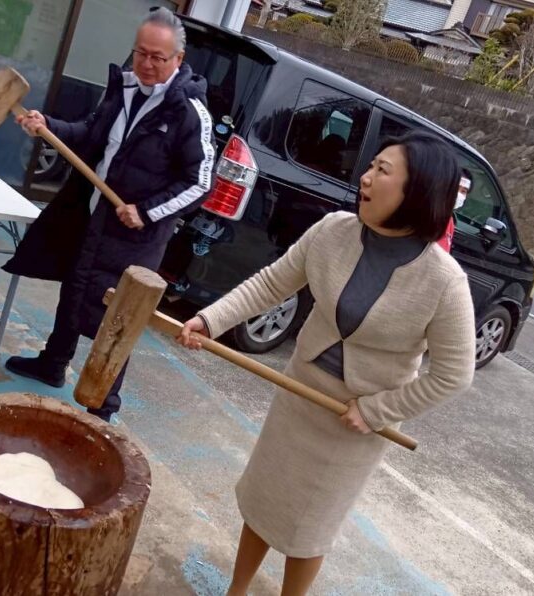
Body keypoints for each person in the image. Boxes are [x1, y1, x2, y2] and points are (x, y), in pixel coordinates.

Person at [177, 131, 476, 595]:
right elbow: (271, 283)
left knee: (309, 527)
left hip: (353, 423)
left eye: (382, 171)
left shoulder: (444, 281)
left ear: (417, 191)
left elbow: (454, 374)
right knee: (265, 499)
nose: (366, 178)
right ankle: (236, 589)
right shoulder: (333, 230)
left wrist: (377, 411)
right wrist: (210, 320)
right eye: (370, 166)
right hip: (300, 393)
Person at [2, 7, 214, 422]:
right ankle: (52, 364)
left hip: (135, 237)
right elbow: (90, 133)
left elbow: (201, 182)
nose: (146, 64)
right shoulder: (124, 89)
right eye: (140, 53)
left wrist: (147, 212)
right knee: (74, 289)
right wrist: (49, 127)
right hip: (95, 217)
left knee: (117, 316)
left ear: (179, 59)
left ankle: (103, 405)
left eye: (157, 57)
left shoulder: (189, 112)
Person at [437, 169, 473, 252]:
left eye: (463, 191)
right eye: (455, 188)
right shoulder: (430, 215)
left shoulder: (450, 222)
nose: (458, 194)